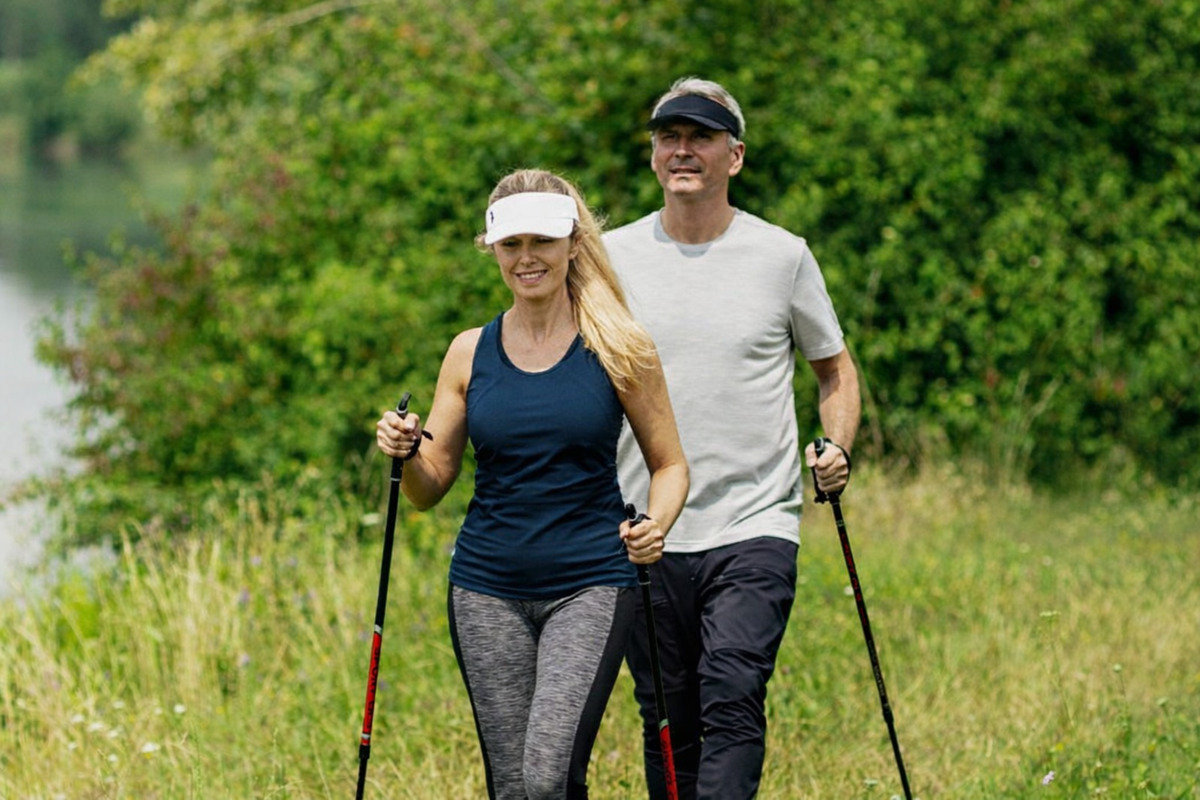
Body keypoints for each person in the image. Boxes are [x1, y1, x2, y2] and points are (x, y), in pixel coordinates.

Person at [375, 168, 689, 800]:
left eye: (541, 241)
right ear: (493, 248)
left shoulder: (618, 345)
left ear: (573, 243)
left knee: (547, 778)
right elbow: (429, 486)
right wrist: (405, 452)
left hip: (591, 582)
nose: (527, 258)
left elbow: (670, 465)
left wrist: (655, 526)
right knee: (513, 788)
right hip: (485, 588)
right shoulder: (469, 352)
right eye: (511, 244)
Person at [604, 77, 862, 799]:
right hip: (644, 528)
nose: (682, 150)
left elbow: (835, 369)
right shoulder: (609, 259)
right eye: (669, 136)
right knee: (667, 716)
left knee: (733, 689)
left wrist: (837, 448)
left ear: (736, 156)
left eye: (701, 137)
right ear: (653, 155)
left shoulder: (781, 256)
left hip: (755, 523)